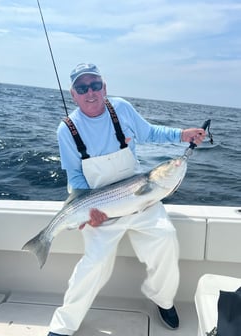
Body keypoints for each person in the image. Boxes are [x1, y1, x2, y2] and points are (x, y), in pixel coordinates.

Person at [47, 63, 206, 336]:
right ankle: (64, 324)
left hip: (139, 197)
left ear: (104, 87)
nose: (91, 92)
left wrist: (182, 135)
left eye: (95, 85)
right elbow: (75, 176)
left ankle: (162, 300)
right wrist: (90, 212)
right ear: (73, 94)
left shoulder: (120, 108)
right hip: (100, 206)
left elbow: (149, 133)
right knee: (94, 264)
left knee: (166, 238)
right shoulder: (67, 129)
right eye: (82, 88)